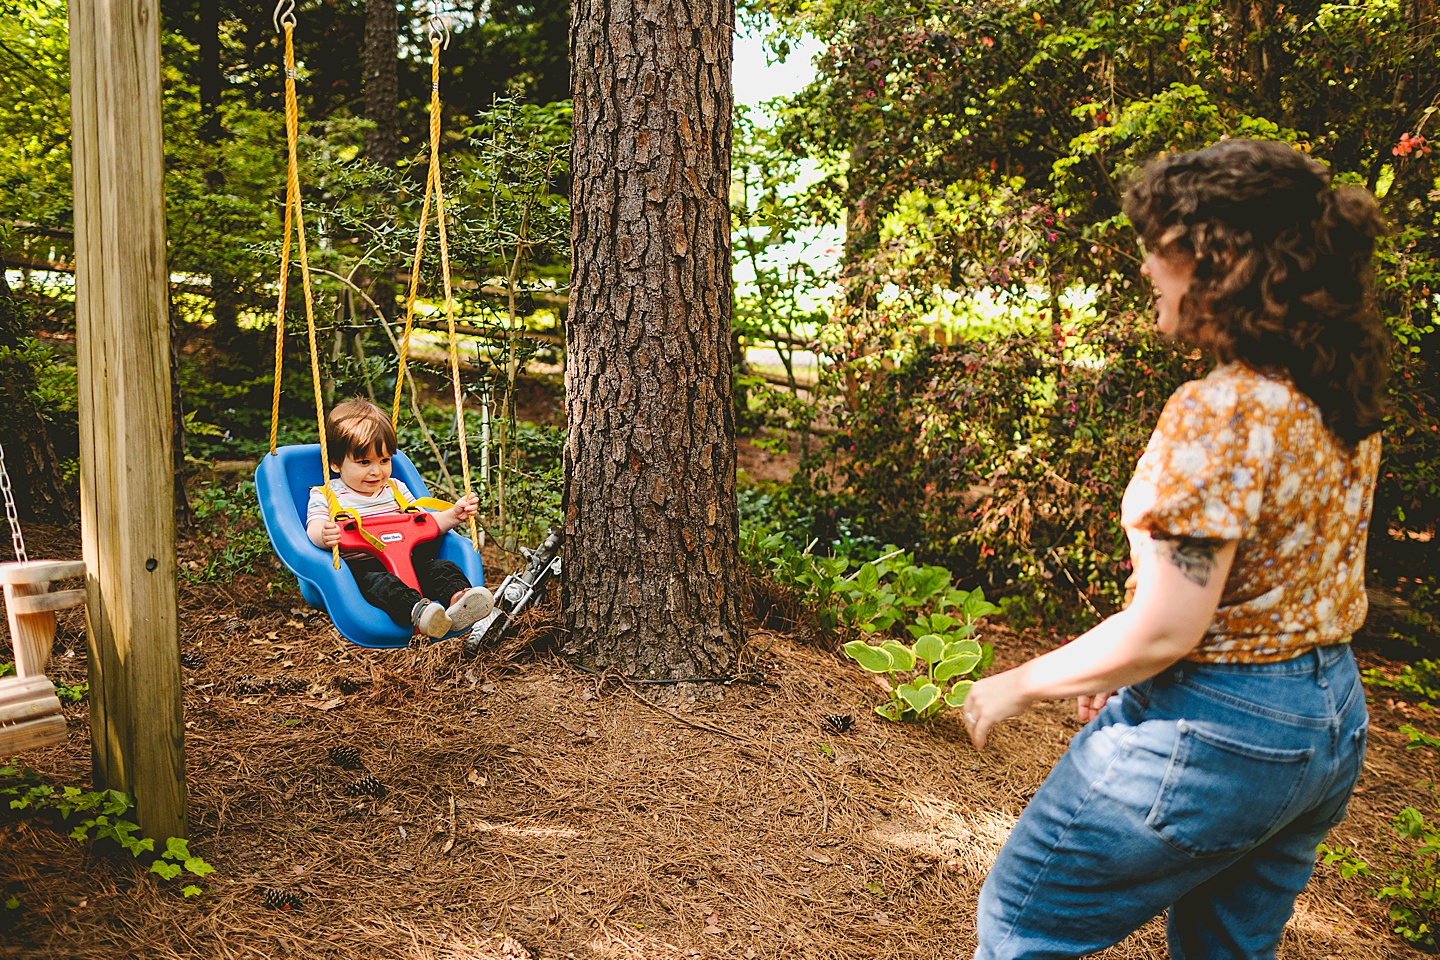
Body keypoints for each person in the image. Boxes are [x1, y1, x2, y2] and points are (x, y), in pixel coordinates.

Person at [963, 139, 1391, 959]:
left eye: (1157, 245)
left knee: (1023, 926)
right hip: (1328, 720)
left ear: (1215, 260)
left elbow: (1168, 628)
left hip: (1220, 728)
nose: (1146, 266)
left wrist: (1016, 685)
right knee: (1227, 949)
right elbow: (1256, 578)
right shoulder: (1328, 393)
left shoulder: (1223, 409)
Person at [306, 399, 493, 639]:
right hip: (364, 568)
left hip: (410, 559)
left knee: (442, 568)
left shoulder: (395, 488)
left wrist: (454, 515)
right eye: (364, 462)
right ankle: (419, 612)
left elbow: (423, 522)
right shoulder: (326, 495)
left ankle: (459, 600)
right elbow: (314, 527)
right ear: (335, 463)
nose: (377, 471)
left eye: (384, 461)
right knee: (382, 585)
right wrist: (324, 534)